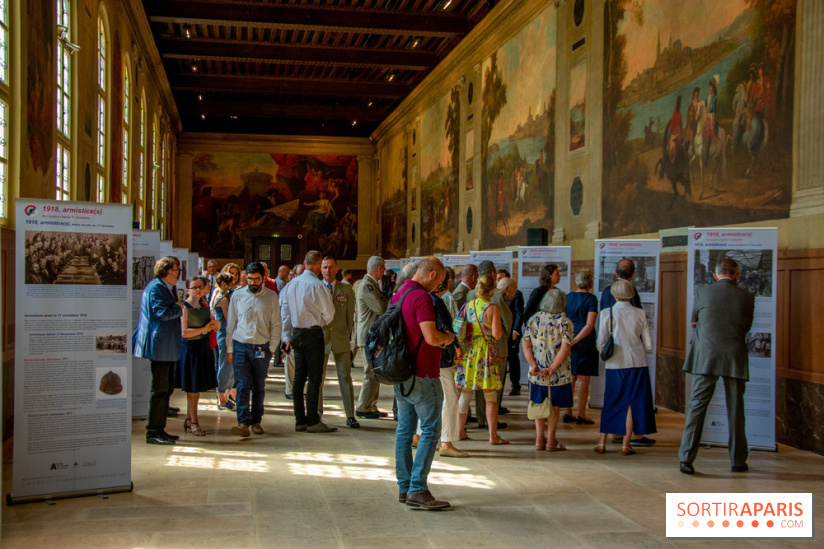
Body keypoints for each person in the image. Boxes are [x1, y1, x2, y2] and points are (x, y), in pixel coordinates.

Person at [679, 258, 755, 475]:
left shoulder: (702, 291)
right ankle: (738, 460)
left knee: (697, 407)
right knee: (736, 410)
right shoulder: (747, 296)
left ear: (715, 275)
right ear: (737, 275)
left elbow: (694, 322)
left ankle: (686, 459)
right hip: (734, 357)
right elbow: (746, 326)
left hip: (706, 357)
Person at [393, 257, 455, 510]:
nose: (439, 285)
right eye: (439, 280)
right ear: (432, 274)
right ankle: (418, 489)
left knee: (405, 431)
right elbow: (430, 336)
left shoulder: (399, 294)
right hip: (423, 374)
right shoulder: (421, 298)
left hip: (401, 371)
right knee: (430, 430)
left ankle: (404, 486)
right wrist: (448, 339)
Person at [595, 280, 656, 456]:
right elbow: (649, 344)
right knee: (632, 403)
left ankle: (602, 442)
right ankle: (626, 444)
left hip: (615, 363)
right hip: (638, 363)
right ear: (632, 295)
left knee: (611, 401)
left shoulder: (607, 312)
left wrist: (604, 353)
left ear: (614, 295)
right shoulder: (640, 313)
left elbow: (601, 341)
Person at [280, 251, 336, 433]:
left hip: (296, 333)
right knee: (314, 378)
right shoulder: (318, 286)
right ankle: (313, 420)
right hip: (313, 334)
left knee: (298, 378)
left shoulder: (291, 285)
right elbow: (329, 313)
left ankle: (299, 419)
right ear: (319, 265)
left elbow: (285, 313)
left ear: (304, 263)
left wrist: (286, 337)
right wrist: (321, 321)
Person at [133, 256, 185, 445]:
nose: (178, 273)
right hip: (160, 345)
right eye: (176, 270)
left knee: (166, 388)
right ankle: (154, 431)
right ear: (168, 271)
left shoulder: (163, 287)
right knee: (160, 390)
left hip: (166, 345)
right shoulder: (156, 287)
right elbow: (162, 313)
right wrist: (179, 307)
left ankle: (160, 429)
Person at [226, 262, 281, 437]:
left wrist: (271, 348)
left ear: (263, 278)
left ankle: (256, 420)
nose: (252, 282)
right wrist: (229, 349)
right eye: (249, 279)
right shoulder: (237, 295)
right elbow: (231, 324)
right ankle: (243, 422)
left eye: (256, 279)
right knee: (242, 385)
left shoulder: (271, 297)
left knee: (258, 386)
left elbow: (276, 325)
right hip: (241, 346)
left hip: (261, 348)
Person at [454, 274, 508, 445]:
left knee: (465, 393)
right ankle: (493, 436)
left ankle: (459, 431)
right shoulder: (493, 308)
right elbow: (497, 334)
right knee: (490, 396)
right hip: (486, 353)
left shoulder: (468, 305)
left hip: (469, 352)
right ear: (492, 290)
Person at [522, 289, 574, 451]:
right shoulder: (564, 322)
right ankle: (551, 440)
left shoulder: (533, 320)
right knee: (555, 405)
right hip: (558, 373)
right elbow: (565, 348)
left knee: (538, 404)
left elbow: (526, 344)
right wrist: (552, 368)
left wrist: (533, 364)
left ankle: (539, 439)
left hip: (537, 372)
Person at [464, 261, 512, 428]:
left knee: (478, 384)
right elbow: (507, 321)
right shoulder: (498, 295)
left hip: (474, 347)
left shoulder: (470, 295)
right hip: (495, 346)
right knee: (494, 387)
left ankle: (481, 418)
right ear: (493, 274)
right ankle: (491, 424)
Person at [177, 276, 221, 436]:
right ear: (188, 290)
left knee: (196, 388)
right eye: (194, 287)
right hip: (190, 350)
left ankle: (190, 420)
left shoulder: (204, 305)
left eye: (200, 287)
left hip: (202, 348)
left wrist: (216, 325)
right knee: (192, 389)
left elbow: (214, 325)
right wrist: (204, 329)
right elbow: (184, 333)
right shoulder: (184, 307)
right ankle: (194, 423)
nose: (198, 290)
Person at [319, 256, 359, 428]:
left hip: (341, 338)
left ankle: (350, 415)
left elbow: (350, 315)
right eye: (325, 267)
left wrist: (347, 333)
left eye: (331, 267)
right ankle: (316, 414)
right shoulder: (316, 288)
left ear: (337, 269)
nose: (328, 270)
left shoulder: (346, 289)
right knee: (318, 379)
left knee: (345, 377)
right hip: (321, 339)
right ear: (320, 269)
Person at [355, 256, 388, 419]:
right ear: (379, 269)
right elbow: (381, 307)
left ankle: (371, 404)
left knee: (375, 371)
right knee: (370, 372)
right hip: (368, 335)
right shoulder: (367, 285)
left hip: (373, 335)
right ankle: (363, 406)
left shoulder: (371, 284)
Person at [564, 269, 599, 425]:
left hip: (569, 336)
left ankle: (568, 411)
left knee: (570, 376)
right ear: (590, 283)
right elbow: (590, 325)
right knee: (584, 379)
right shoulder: (591, 299)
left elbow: (563, 318)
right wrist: (577, 339)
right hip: (584, 340)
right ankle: (582, 414)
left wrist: (569, 338)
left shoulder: (567, 297)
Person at [211, 272, 236, 411]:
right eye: (230, 282)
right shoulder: (223, 299)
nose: (232, 285)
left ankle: (224, 397)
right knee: (225, 365)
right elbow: (229, 318)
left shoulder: (216, 293)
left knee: (224, 364)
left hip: (221, 332)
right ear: (224, 283)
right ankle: (222, 398)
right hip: (225, 333)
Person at [498, 277, 524, 396]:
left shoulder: (517, 295)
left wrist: (515, 330)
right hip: (500, 335)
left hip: (512, 333)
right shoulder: (497, 297)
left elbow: (519, 313)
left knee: (513, 359)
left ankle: (515, 385)